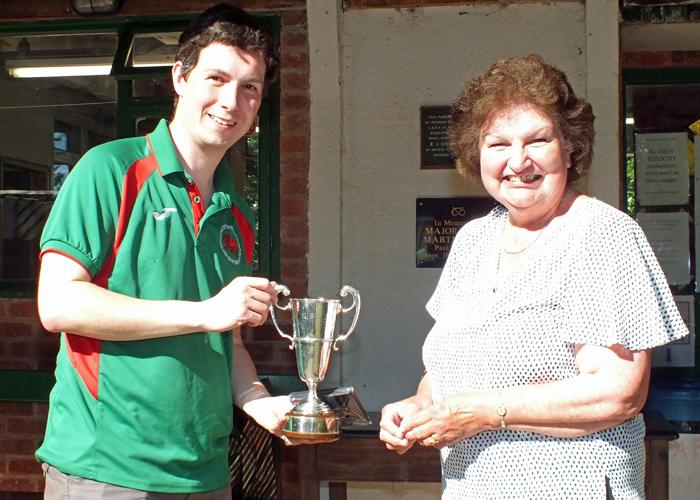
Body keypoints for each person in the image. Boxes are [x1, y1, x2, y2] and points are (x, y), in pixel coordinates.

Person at [379, 54, 689, 500]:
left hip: (569, 487)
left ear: (570, 148)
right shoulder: (472, 240)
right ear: (476, 154)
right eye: (498, 144)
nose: (518, 160)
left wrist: (488, 412)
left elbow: (619, 392)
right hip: (470, 488)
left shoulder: (603, 235)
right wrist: (420, 404)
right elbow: (450, 366)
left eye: (538, 140)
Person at [36, 4, 302, 499]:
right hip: (106, 472)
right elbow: (58, 305)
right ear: (179, 77)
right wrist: (205, 313)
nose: (231, 100)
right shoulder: (110, 169)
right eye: (216, 78)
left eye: (250, 87)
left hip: (207, 476)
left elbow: (230, 344)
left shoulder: (237, 214)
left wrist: (259, 400)